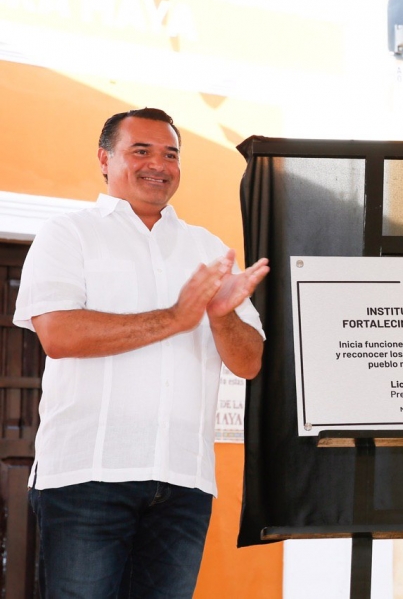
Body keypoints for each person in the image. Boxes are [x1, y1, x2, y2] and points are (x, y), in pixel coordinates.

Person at [14, 107, 269, 598]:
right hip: (87, 477)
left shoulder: (207, 248)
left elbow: (249, 362)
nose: (159, 164)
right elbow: (59, 335)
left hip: (183, 481)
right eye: (141, 150)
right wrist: (174, 318)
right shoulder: (67, 234)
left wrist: (220, 316)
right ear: (104, 159)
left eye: (171, 154)